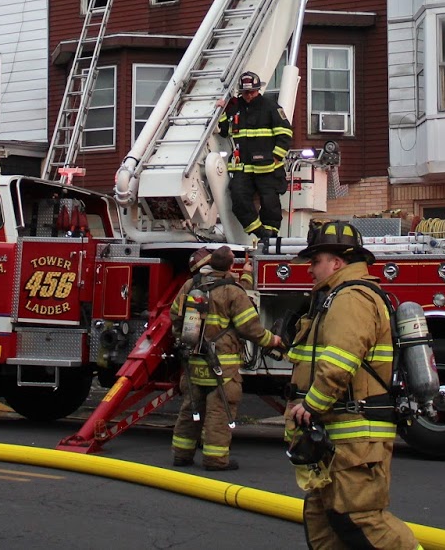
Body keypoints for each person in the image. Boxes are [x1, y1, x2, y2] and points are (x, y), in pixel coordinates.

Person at [283, 220, 417, 550]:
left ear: (337, 263)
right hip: (334, 436)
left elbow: (341, 362)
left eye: (315, 261)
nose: (310, 270)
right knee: (324, 525)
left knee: (360, 518)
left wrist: (311, 404)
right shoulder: (333, 299)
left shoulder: (351, 299)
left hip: (354, 436)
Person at [170, 246, 281, 472]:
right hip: (222, 366)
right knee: (218, 412)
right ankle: (215, 459)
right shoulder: (233, 291)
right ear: (231, 266)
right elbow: (250, 328)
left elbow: (175, 314)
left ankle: (181, 455)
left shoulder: (191, 285)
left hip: (194, 361)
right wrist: (274, 341)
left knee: (191, 408)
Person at [216, 71, 293, 243]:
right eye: (245, 93)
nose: (249, 96)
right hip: (243, 167)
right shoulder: (235, 107)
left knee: (270, 202)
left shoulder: (271, 107)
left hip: (268, 168)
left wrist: (276, 157)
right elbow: (225, 132)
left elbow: (285, 132)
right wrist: (221, 112)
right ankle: (259, 232)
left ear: (258, 90)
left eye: (252, 92)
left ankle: (271, 234)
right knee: (237, 198)